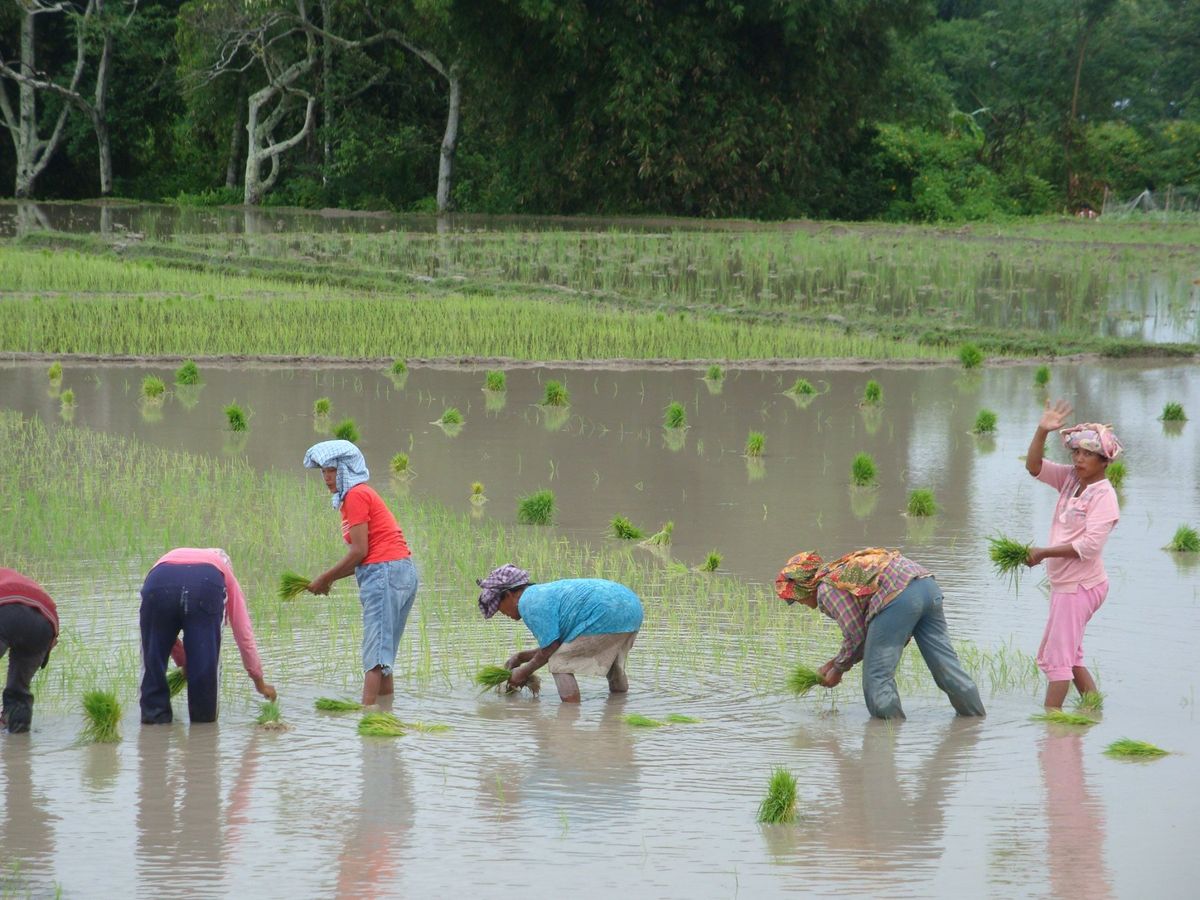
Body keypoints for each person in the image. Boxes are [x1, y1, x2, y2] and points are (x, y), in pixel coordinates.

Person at [776, 548, 985, 719]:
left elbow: (856, 636)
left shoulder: (826, 588)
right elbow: (868, 637)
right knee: (946, 667)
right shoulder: (839, 570)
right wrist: (835, 663)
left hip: (899, 595)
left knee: (877, 678)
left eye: (795, 598)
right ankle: (975, 721)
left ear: (804, 586)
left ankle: (887, 735)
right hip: (926, 585)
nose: (799, 603)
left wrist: (838, 669)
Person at [303, 440, 419, 706]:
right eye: (323, 471)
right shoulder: (358, 495)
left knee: (375, 655)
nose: (327, 477)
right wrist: (329, 579)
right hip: (400, 571)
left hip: (385, 573)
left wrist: (325, 578)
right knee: (384, 656)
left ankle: (365, 717)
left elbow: (359, 552)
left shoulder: (355, 495)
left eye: (332, 470)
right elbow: (364, 555)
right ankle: (385, 716)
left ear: (346, 469)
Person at [1023, 399, 1121, 709]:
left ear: (1104, 461)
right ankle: (1092, 711)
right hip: (1066, 585)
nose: (1079, 459)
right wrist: (1042, 430)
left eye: (1088, 454)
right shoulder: (1070, 480)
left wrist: (1044, 552)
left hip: (1080, 587)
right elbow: (1034, 467)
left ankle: (1052, 723)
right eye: (1076, 452)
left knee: (1058, 660)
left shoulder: (1104, 496)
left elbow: (1090, 546)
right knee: (1071, 654)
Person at [139, 548, 276, 724]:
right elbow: (244, 634)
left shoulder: (164, 562)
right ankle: (203, 731)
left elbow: (160, 634)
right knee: (205, 670)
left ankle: (153, 726)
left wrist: (184, 662)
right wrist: (259, 682)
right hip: (205, 586)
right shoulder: (223, 573)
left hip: (157, 583)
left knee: (153, 663)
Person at [477, 564, 643, 703]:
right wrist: (520, 657)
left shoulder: (528, 603)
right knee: (614, 663)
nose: (502, 613)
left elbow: (550, 650)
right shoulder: (543, 594)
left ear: (508, 595)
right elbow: (558, 645)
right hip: (631, 607)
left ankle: (569, 713)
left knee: (559, 662)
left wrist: (523, 672)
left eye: (499, 608)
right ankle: (619, 704)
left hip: (604, 612)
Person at [0, 568, 59, 734]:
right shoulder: (8, 574)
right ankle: (19, 740)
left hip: (7, 610)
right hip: (45, 623)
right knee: (18, 692)